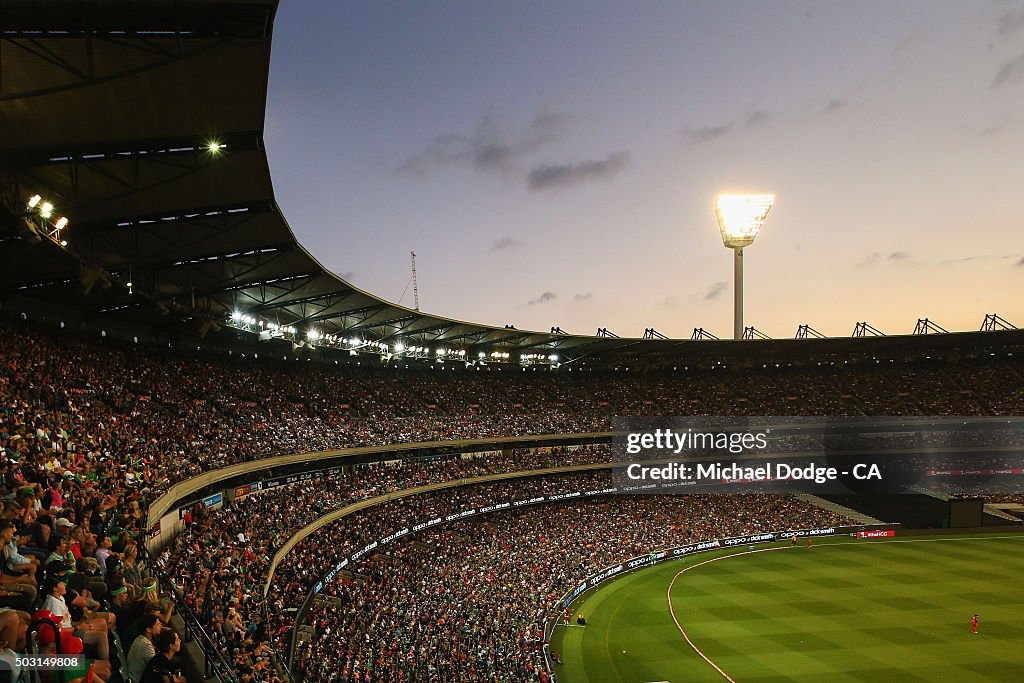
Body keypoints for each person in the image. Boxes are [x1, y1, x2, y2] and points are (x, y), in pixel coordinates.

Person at [126, 614, 162, 683]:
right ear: (148, 629)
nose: (160, 627)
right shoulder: (146, 645)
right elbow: (159, 666)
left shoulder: (139, 638)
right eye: (157, 625)